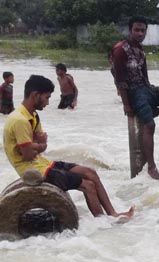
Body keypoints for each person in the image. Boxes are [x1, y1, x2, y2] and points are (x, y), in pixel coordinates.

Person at [3, 75, 134, 218]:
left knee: (91, 173)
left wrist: (36, 144)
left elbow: (43, 145)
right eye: (46, 98)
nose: (47, 103)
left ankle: (113, 214)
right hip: (34, 171)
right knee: (88, 185)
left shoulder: (33, 116)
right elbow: (28, 155)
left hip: (43, 163)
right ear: (35, 95)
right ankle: (103, 222)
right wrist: (38, 144)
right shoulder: (20, 120)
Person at [111, 16, 159, 180]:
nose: (140, 33)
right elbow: (120, 80)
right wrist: (126, 105)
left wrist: (151, 91)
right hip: (133, 92)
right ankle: (151, 166)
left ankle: (155, 112)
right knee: (149, 125)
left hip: (147, 88)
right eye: (136, 30)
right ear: (130, 30)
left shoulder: (140, 49)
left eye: (143, 30)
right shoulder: (120, 50)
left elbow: (145, 73)